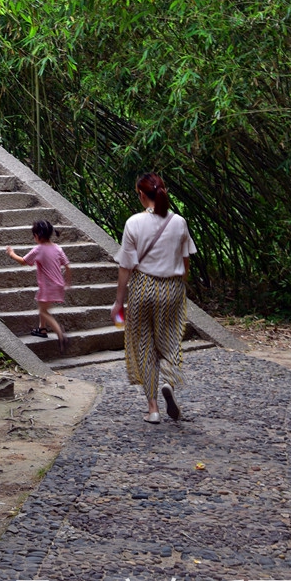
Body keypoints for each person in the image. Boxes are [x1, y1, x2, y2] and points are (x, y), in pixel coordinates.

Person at [111, 172, 197, 424]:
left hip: (143, 287)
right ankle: (169, 382)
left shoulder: (134, 223)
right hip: (172, 287)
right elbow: (186, 261)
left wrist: (119, 301)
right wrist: (180, 286)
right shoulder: (179, 222)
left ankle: (153, 409)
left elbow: (125, 266)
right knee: (170, 341)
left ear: (141, 194)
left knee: (144, 346)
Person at [6, 219, 71, 352]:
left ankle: (60, 333)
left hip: (48, 286)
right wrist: (68, 281)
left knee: (43, 311)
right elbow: (68, 266)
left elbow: (23, 261)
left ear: (37, 236)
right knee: (43, 305)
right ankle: (42, 329)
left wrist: (11, 253)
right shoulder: (57, 248)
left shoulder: (38, 249)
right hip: (58, 284)